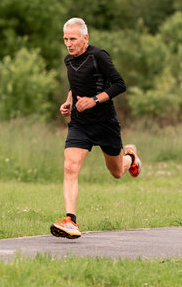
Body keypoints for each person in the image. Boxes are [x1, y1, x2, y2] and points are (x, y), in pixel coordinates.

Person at [50, 17, 142, 239]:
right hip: (80, 124)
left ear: (85, 38)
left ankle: (130, 156)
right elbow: (75, 86)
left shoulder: (98, 56)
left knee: (117, 171)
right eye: (65, 39)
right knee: (70, 166)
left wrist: (94, 100)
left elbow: (119, 84)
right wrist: (68, 102)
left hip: (105, 123)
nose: (69, 43)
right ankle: (70, 220)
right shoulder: (68, 61)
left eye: (73, 39)